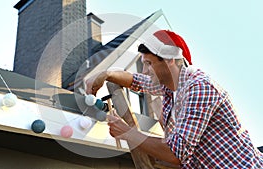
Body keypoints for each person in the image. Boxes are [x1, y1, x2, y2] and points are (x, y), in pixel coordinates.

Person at [85, 30, 263, 168]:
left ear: (169, 60)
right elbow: (137, 81)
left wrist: (127, 133)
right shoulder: (170, 87)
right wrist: (106, 74)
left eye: (148, 63)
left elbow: (176, 154)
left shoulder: (199, 88)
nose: (145, 70)